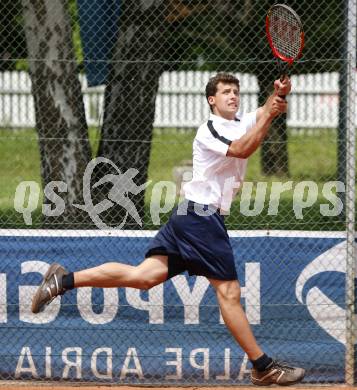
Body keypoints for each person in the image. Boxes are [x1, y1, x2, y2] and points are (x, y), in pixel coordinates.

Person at [31, 72, 305, 386]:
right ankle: (263, 366)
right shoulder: (210, 129)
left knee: (142, 277)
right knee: (229, 293)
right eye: (226, 91)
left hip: (191, 216)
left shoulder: (242, 120)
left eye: (236, 91)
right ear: (211, 100)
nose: (233, 96)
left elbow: (262, 114)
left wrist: (278, 95)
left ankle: (61, 280)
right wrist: (269, 114)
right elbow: (243, 148)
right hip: (200, 218)